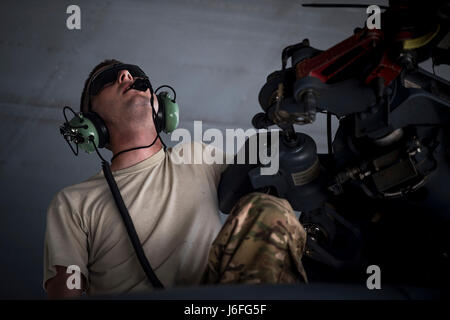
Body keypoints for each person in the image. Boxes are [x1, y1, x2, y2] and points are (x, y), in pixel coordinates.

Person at [43, 59, 308, 298]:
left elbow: (267, 177)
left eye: (135, 73)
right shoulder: (74, 202)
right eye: (108, 78)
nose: (126, 75)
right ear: (90, 124)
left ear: (161, 108)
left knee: (268, 209)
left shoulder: (196, 155)